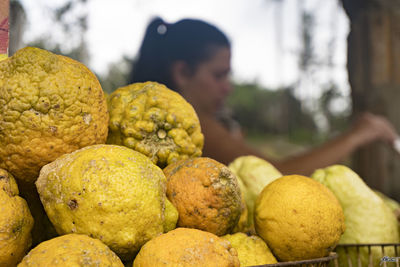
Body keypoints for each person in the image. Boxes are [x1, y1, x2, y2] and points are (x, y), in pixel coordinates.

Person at [130, 17, 398, 176]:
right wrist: (358, 135)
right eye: (219, 75)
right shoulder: (182, 124)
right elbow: (279, 173)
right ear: (182, 72)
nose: (228, 87)